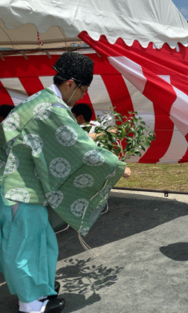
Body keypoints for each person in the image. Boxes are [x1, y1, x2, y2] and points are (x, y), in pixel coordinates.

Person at [0, 52, 131, 313]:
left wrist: (93, 134)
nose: (84, 95)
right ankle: (30, 304)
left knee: (41, 242)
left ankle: (40, 290)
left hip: (23, 184)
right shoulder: (52, 107)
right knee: (25, 247)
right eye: (83, 88)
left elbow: (64, 137)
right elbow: (77, 146)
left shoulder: (41, 99)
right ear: (70, 83)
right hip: (20, 189)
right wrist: (117, 166)